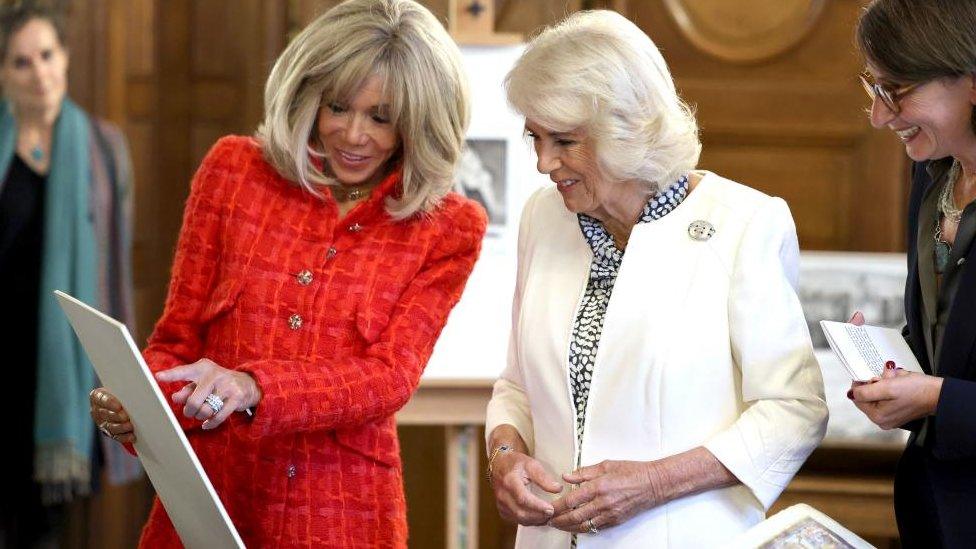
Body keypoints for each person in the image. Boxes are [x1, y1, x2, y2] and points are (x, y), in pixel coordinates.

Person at [88, 0, 486, 546]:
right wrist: (141, 406)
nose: (352, 134)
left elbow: (389, 377)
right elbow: (176, 342)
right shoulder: (232, 172)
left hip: (341, 518)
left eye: (382, 117)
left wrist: (253, 386)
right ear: (309, 94)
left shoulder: (448, 228)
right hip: (207, 501)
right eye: (339, 106)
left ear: (419, 121)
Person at [484, 10, 828, 547]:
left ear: (627, 130)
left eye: (565, 141)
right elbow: (516, 385)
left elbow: (794, 411)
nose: (543, 163)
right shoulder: (542, 217)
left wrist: (652, 483)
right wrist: (504, 456)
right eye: (535, 138)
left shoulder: (745, 224)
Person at [0, 4, 140, 547]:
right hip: (2, 362)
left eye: (47, 55)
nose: (40, 73)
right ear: (3, 73)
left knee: (45, 530)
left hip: (63, 368)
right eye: (21, 62)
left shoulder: (105, 149)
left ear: (66, 57)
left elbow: (112, 271)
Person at [850, 1, 976, 545]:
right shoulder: (931, 178)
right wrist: (892, 373)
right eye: (873, 88)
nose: (879, 116)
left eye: (896, 90)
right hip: (934, 509)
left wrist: (937, 400)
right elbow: (946, 344)